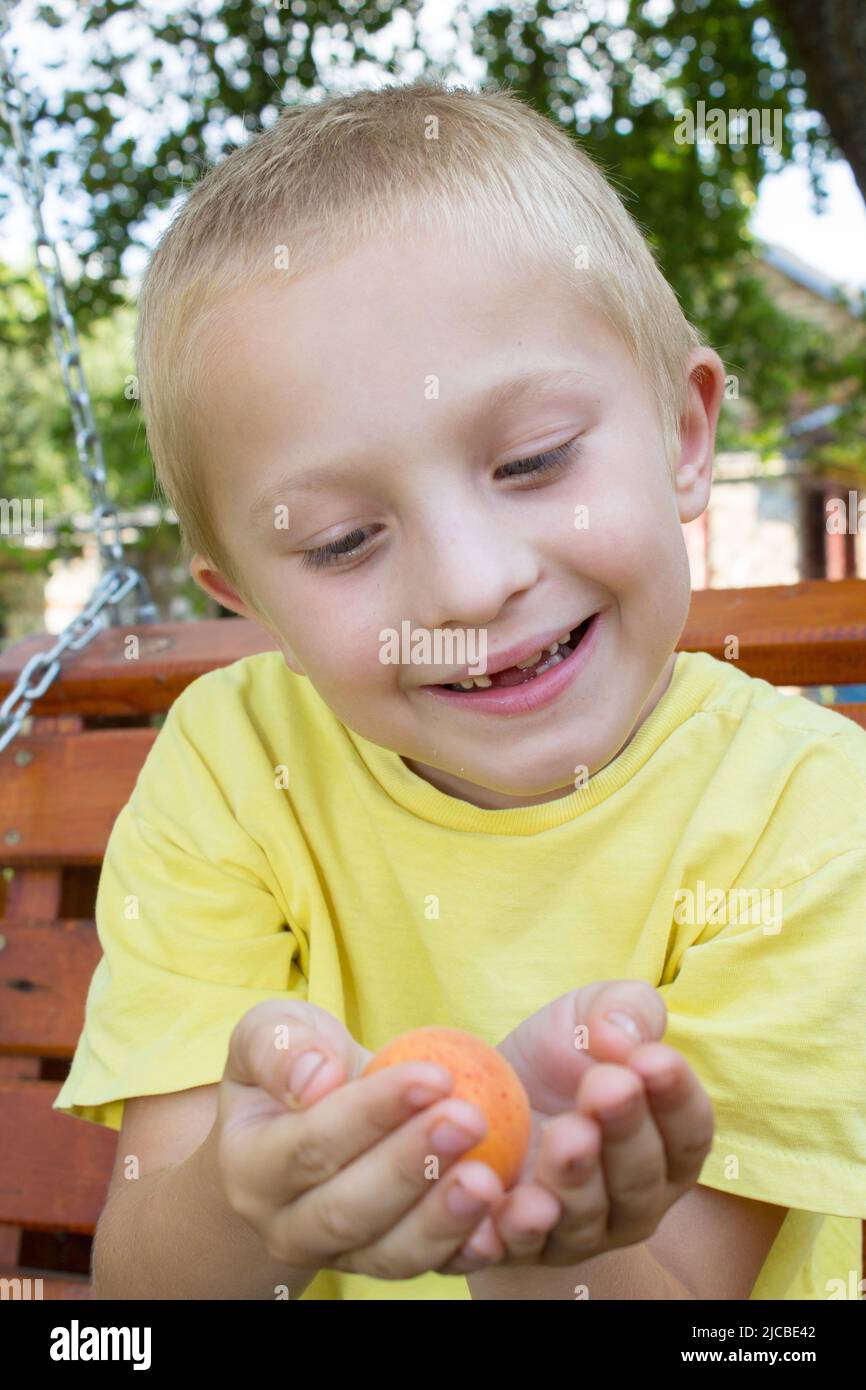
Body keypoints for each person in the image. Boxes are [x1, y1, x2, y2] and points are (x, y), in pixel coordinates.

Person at [54, 79, 865, 1301]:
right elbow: (139, 1309)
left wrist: (538, 1237)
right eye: (339, 543)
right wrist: (248, 1190)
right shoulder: (231, 767)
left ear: (683, 433)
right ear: (250, 602)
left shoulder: (807, 813)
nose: (471, 585)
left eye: (532, 461)